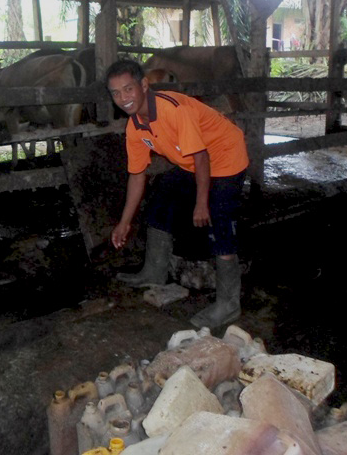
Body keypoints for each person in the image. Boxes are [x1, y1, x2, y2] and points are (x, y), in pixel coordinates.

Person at [106, 59, 249, 329]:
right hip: (194, 163)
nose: (123, 98)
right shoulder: (134, 127)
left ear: (144, 85)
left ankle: (229, 304)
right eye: (115, 93)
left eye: (128, 89)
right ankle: (154, 272)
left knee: (219, 220)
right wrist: (124, 222)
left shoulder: (174, 110)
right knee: (162, 196)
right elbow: (137, 175)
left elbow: (202, 157)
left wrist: (201, 203)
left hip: (226, 157)